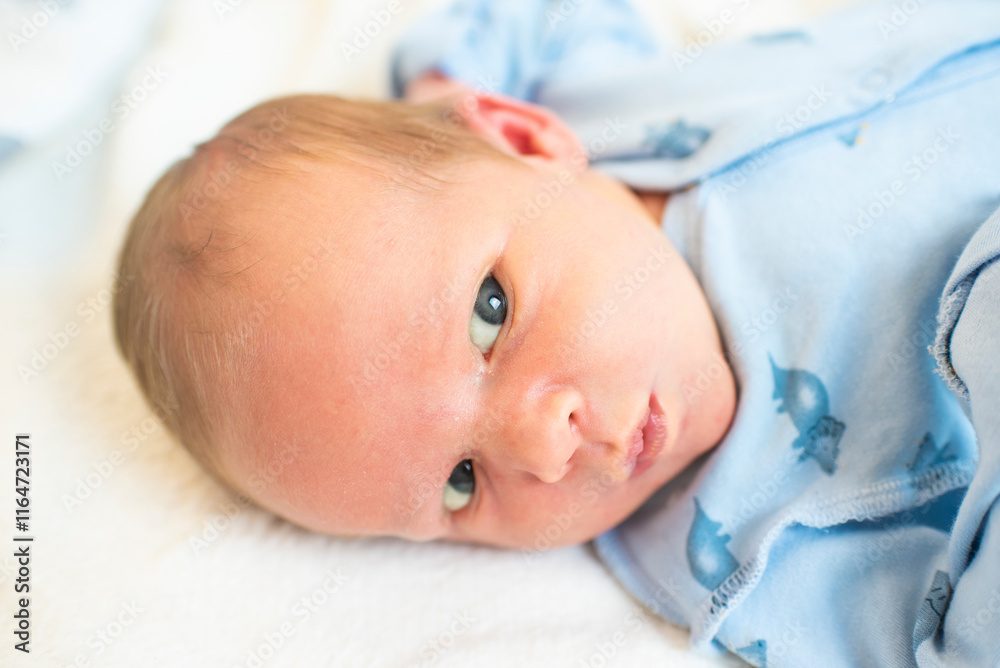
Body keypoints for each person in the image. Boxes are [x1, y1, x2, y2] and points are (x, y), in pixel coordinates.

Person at [113, 0, 1000, 664]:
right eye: (460, 485)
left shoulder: (605, 110)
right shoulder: (748, 560)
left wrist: (437, 89)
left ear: (525, 138)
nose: (545, 449)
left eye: (488, 314)